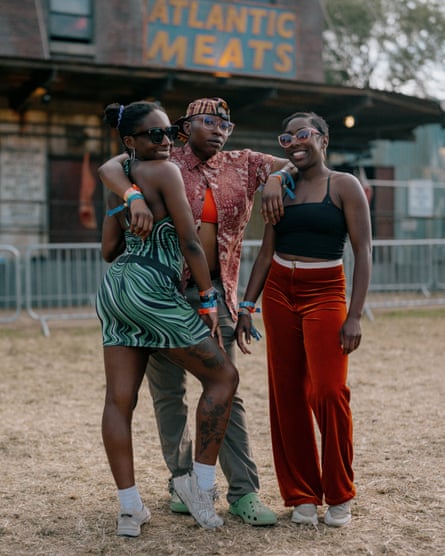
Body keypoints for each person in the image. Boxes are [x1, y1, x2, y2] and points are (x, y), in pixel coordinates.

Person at [98, 97, 294, 526]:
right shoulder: (166, 161)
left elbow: (298, 158)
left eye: (227, 121)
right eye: (208, 121)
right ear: (187, 127)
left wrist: (278, 178)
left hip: (187, 292)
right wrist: (129, 197)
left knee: (224, 392)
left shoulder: (244, 164)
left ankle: (241, 492)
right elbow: (113, 168)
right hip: (168, 291)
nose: (220, 128)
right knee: (173, 394)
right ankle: (186, 484)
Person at [96, 100, 239, 536]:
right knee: (223, 379)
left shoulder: (123, 181)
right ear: (131, 141)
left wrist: (130, 201)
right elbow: (191, 243)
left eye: (169, 133)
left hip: (116, 286)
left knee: (119, 400)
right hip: (154, 287)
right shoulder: (167, 172)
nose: (165, 142)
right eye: (154, 134)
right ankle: (200, 487)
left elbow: (107, 250)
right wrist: (207, 300)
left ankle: (129, 510)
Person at [236, 111, 372, 528]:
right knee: (287, 394)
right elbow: (264, 251)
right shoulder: (284, 186)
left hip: (325, 290)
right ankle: (302, 496)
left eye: (304, 133)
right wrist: (247, 306)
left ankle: (339, 493)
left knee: (329, 391)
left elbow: (363, 252)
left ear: (324, 139)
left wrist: (354, 316)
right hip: (278, 290)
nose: (295, 141)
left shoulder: (344, 185)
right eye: (287, 136)